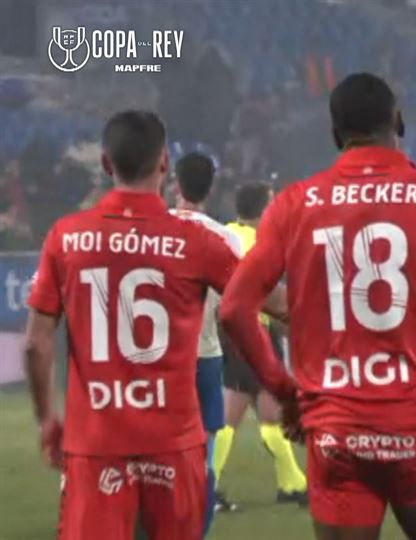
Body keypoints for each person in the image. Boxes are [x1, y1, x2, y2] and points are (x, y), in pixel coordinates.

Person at [219, 73, 416, 540]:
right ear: (398, 122)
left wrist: (286, 391)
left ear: (335, 133)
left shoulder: (294, 203)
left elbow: (235, 308)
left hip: (338, 433)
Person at [22, 110, 295, 540]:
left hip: (96, 447)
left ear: (107, 164)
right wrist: (287, 381)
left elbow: (36, 345)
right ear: (164, 162)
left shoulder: (67, 237)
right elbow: (268, 304)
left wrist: (46, 420)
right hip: (173, 447)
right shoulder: (198, 241)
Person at [213, 182, 308, 509]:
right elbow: (274, 298)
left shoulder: (227, 234)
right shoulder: (261, 244)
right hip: (251, 333)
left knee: (271, 412)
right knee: (233, 414)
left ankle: (292, 484)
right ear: (264, 209)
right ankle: (207, 486)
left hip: (232, 332)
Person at [170, 152, 244, 535]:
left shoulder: (153, 229)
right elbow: (237, 303)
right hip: (206, 356)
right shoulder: (225, 237)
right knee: (204, 461)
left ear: (175, 184)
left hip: (160, 360)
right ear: (211, 188)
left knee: (159, 458)